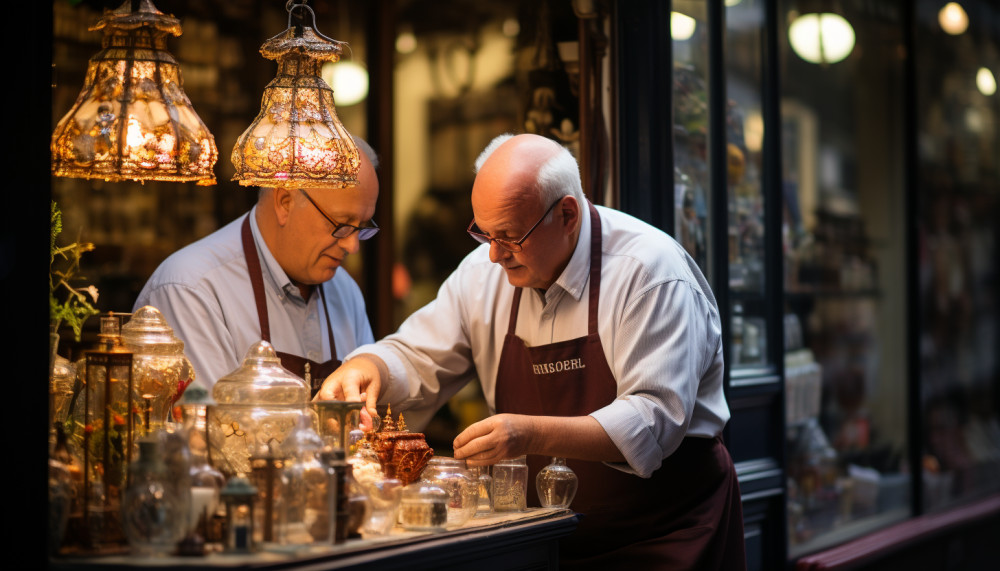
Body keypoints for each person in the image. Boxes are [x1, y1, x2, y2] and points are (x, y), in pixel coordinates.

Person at [318, 133, 746, 569]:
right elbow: (419, 355)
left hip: (666, 533)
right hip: (547, 540)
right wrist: (370, 366)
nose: (494, 255)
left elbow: (653, 420)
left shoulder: (650, 273)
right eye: (483, 233)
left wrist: (529, 434)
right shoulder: (482, 275)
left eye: (510, 236)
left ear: (567, 215)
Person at [134, 138, 380, 395]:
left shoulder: (345, 291)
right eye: (341, 225)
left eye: (361, 228)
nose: (352, 246)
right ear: (285, 202)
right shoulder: (190, 290)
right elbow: (206, 428)